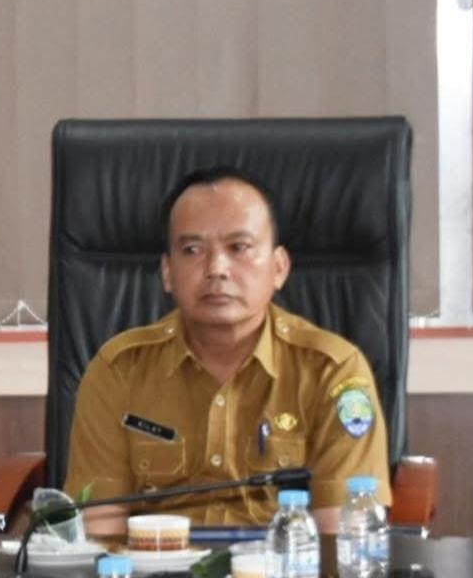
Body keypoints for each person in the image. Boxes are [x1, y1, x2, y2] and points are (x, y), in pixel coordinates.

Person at [66, 166, 391, 533]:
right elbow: (100, 532)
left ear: (279, 267)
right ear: (168, 272)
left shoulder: (332, 371)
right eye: (192, 250)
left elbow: (341, 539)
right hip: (155, 568)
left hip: (282, 567)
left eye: (239, 248)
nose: (216, 268)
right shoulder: (118, 371)